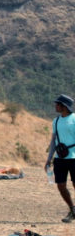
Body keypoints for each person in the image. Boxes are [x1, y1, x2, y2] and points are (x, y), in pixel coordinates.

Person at [44, 94, 75, 223]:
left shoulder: (74, 119)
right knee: (61, 186)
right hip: (60, 158)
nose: (55, 106)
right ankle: (72, 210)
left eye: (58, 104)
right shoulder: (55, 121)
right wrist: (49, 158)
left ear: (64, 106)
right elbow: (53, 141)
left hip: (74, 158)